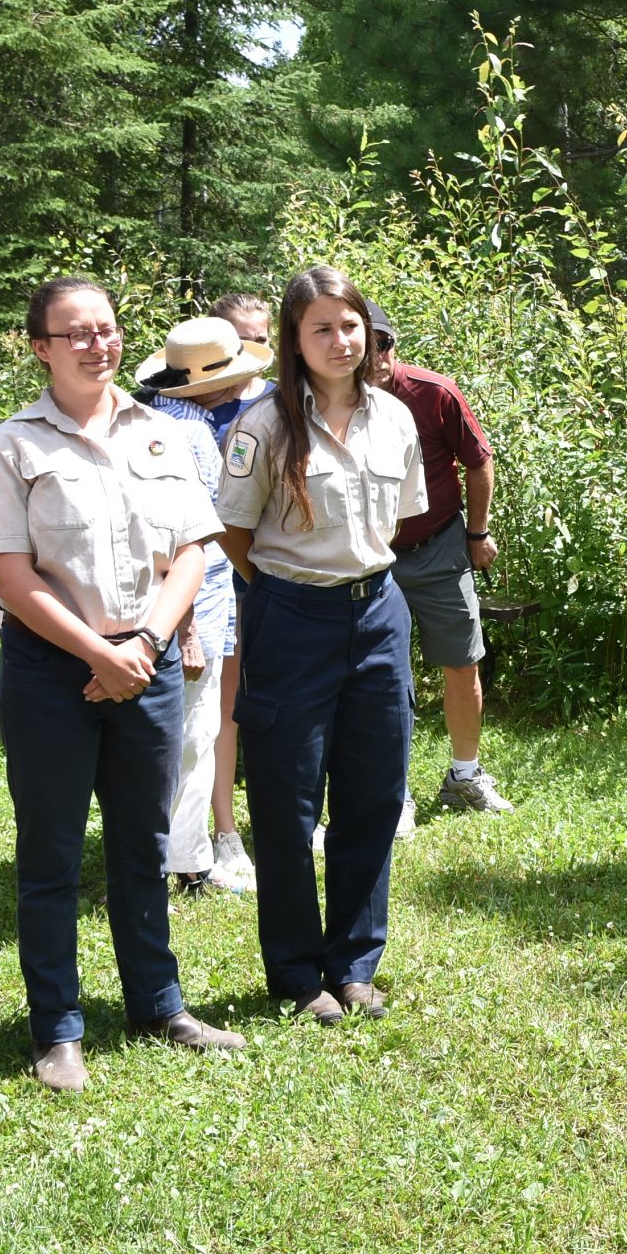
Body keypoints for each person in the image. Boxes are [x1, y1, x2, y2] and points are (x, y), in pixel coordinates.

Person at [0, 280, 248, 1092]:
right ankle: (57, 1028)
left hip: (149, 660)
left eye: (109, 330)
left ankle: (159, 1004)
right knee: (51, 855)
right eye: (76, 333)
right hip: (55, 668)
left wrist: (148, 643)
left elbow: (196, 549)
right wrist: (98, 652)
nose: (98, 345)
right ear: (40, 348)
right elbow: (12, 578)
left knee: (142, 845)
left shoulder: (162, 434)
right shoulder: (13, 447)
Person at [217, 266, 425, 1027]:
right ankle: (298, 973)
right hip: (291, 619)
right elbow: (235, 533)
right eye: (321, 329)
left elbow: (397, 522)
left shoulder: (395, 419)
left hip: (377, 615)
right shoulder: (264, 425)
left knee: (373, 794)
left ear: (367, 330)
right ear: (294, 343)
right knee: (286, 800)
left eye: (350, 325)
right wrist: (293, 592)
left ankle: (356, 965)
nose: (340, 341)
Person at [131, 314, 272, 895]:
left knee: (186, 726)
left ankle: (172, 856)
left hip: (177, 598)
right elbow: (186, 535)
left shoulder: (145, 420)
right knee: (191, 729)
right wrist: (188, 628)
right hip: (196, 597)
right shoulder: (183, 435)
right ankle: (184, 863)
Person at [374, 306, 513, 820]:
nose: (377, 356)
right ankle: (395, 795)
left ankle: (465, 775)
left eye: (384, 343)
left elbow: (478, 460)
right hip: (369, 558)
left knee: (462, 661)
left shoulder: (434, 393)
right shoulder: (332, 401)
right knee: (386, 675)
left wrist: (477, 532)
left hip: (438, 547)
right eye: (367, 345)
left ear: (395, 344)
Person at [206, 291, 275, 888]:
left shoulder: (284, 403)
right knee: (221, 709)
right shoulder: (178, 406)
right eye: (242, 337)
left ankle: (295, 820)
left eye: (263, 337)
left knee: (282, 706)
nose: (255, 348)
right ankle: (224, 834)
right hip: (205, 580)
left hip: (271, 576)